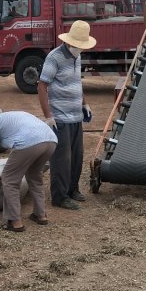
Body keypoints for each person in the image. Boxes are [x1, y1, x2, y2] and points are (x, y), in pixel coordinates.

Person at [37, 20, 95, 211]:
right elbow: (42, 86)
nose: (80, 49)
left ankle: (72, 190)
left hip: (76, 116)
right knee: (62, 159)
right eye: (78, 46)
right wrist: (48, 116)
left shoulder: (77, 57)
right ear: (70, 42)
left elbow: (76, 84)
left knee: (77, 157)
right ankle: (59, 196)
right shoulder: (54, 58)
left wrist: (84, 103)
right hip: (60, 118)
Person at [0, 106, 58, 232]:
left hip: (28, 143)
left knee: (9, 180)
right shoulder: (14, 115)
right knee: (35, 176)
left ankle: (14, 221)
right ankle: (40, 215)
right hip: (51, 140)